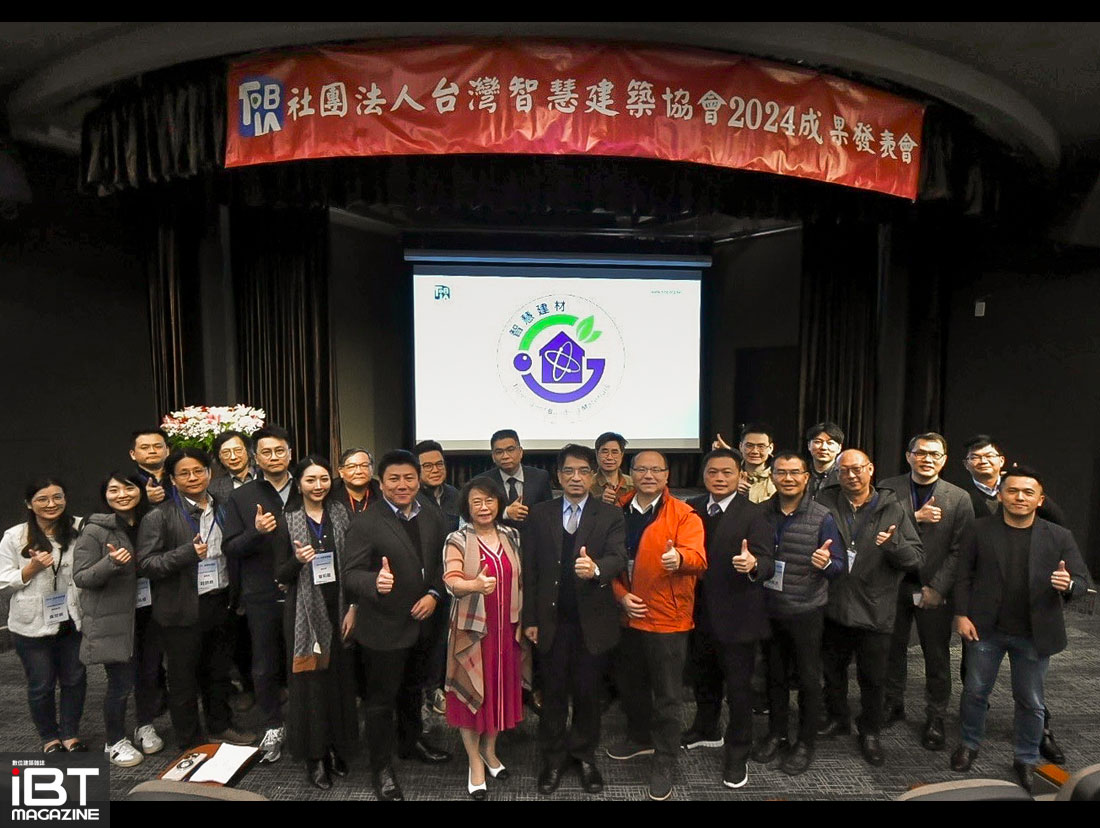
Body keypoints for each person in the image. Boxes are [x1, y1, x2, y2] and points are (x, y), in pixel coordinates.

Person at [950, 466, 1092, 792]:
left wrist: (1069, 584)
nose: (1019, 497)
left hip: (1034, 633)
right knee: (975, 692)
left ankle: (1026, 757)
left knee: (1030, 700)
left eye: (1028, 492)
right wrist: (961, 614)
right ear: (1001, 495)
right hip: (985, 629)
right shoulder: (978, 529)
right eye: (1012, 491)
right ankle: (969, 744)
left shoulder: (1059, 536)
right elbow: (963, 575)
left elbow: (1082, 581)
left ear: (1040, 500)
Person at [343, 449, 451, 802]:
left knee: (413, 690)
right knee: (380, 702)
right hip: (383, 627)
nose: (402, 485)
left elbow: (441, 562)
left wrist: (434, 593)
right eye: (394, 479)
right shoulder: (366, 522)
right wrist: (374, 582)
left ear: (418, 479)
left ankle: (411, 742)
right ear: (381, 482)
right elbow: (350, 574)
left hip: (424, 622)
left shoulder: (431, 513)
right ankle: (381, 768)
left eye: (409, 478)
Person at [522, 444, 627, 796]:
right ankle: (552, 759)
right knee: (551, 694)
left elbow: (618, 557)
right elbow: (530, 570)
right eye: (569, 471)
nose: (576, 477)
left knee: (588, 694)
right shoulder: (540, 514)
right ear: (558, 476)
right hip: (550, 621)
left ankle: (583, 756)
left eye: (583, 471)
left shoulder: (609, 515)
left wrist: (596, 569)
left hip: (593, 623)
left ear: (594, 476)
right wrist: (530, 618)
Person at [959, 434, 1068, 761]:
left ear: (1001, 461)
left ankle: (1039, 735)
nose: (983, 461)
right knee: (975, 681)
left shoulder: (1024, 491)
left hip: (1031, 609)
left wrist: (1026, 489)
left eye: (989, 455)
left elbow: (1060, 526)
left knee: (1031, 689)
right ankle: (970, 737)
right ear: (966, 465)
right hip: (983, 606)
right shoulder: (963, 497)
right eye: (976, 457)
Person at [137, 448, 254, 748]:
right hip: (181, 606)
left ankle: (220, 726)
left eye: (198, 471)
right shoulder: (159, 515)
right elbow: (146, 564)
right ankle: (190, 741)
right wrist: (186, 554)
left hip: (221, 600)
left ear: (209, 473)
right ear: (172, 480)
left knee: (218, 673)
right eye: (184, 473)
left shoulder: (225, 507)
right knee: (183, 679)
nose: (193, 478)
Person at [607, 449, 706, 801]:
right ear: (631, 473)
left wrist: (679, 558)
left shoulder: (684, 514)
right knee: (630, 685)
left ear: (667, 475)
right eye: (641, 469)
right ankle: (640, 738)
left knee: (667, 696)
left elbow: (699, 559)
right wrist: (620, 596)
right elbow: (606, 563)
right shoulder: (616, 512)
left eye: (656, 469)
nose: (648, 475)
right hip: (628, 615)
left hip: (667, 619)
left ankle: (665, 759)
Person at [816, 449, 923, 767]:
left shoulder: (894, 508)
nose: (851, 475)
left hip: (875, 607)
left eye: (857, 469)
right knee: (832, 672)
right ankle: (838, 718)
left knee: (873, 677)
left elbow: (916, 559)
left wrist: (893, 545)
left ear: (871, 469)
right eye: (844, 470)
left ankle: (870, 731)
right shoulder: (824, 503)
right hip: (833, 603)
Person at [683, 448, 774, 789]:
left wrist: (754, 565)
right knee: (702, 677)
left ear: (740, 476)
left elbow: (768, 560)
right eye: (712, 472)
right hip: (696, 613)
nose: (719, 478)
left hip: (738, 615)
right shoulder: (690, 507)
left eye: (727, 472)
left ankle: (738, 751)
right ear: (703, 475)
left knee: (738, 689)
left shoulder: (755, 513)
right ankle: (707, 729)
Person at [879, 433, 975, 750]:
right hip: (893, 583)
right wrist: (914, 516)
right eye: (920, 453)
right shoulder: (887, 488)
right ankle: (893, 703)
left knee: (936, 656)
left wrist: (937, 587)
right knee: (892, 649)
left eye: (935, 454)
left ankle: (936, 715)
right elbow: (875, 528)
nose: (927, 459)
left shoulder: (959, 498)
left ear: (944, 459)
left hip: (933, 588)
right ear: (909, 456)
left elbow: (961, 550)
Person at [754, 452, 845, 776]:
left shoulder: (822, 516)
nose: (788, 478)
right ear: (773, 477)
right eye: (781, 472)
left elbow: (839, 565)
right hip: (770, 609)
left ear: (806, 478)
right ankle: (777, 734)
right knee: (774, 676)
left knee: (808, 679)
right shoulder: (760, 513)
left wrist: (827, 564)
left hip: (806, 611)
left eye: (795, 473)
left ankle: (805, 742)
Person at [277, 456, 359, 790]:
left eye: (324, 479)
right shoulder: (286, 520)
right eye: (310, 480)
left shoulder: (341, 514)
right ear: (298, 484)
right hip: (303, 613)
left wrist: (354, 607)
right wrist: (297, 561)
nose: (318, 486)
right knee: (310, 686)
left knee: (339, 683)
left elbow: (355, 565)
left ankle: (337, 747)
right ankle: (315, 756)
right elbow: (279, 574)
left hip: (340, 608)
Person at [73, 471, 164, 767]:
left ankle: (144, 725)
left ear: (140, 491)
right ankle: (114, 741)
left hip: (149, 613)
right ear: (105, 496)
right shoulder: (95, 530)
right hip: (115, 618)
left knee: (149, 676)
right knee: (120, 683)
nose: (122, 495)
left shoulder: (150, 521)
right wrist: (110, 562)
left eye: (129, 488)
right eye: (114, 490)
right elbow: (81, 577)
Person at [444, 476, 526, 800]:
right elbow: (451, 579)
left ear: (499, 503)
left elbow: (521, 579)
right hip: (473, 632)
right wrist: (474, 585)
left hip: (507, 630)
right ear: (466, 506)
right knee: (472, 695)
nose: (483, 507)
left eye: (489, 500)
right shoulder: (457, 539)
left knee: (498, 693)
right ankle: (474, 762)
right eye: (476, 501)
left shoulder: (511, 535)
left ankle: (490, 752)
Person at [222, 424, 300, 762]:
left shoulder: (307, 487)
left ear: (290, 453)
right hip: (261, 592)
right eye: (266, 452)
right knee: (264, 663)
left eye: (280, 450)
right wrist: (255, 532)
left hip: (304, 588)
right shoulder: (241, 497)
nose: (274, 457)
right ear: (256, 457)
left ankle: (305, 723)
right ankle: (272, 724)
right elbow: (230, 547)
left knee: (304, 660)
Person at [0, 477, 87, 753]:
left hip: (72, 618)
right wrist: (31, 569)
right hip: (31, 625)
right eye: (42, 499)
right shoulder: (15, 536)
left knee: (75, 679)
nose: (51, 504)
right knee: (42, 684)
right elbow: (2, 581)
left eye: (57, 497)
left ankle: (70, 734)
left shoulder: (79, 528)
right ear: (29, 503)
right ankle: (50, 738)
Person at [415, 439, 460, 717]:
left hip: (452, 580)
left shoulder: (457, 495)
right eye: (427, 466)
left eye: (439, 464)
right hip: (422, 583)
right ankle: (423, 691)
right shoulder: (412, 499)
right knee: (423, 640)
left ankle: (438, 688)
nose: (435, 470)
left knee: (445, 639)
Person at [478, 429, 553, 527]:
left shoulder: (540, 477)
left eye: (510, 450)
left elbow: (549, 511)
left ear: (520, 452)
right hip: (497, 534)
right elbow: (476, 514)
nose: (505, 456)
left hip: (534, 534)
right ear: (493, 456)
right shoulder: (483, 481)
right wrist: (506, 513)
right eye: (499, 452)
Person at [208, 430, 258, 502]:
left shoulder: (267, 475)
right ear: (219, 457)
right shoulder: (213, 489)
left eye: (238, 450)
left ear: (248, 451)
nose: (233, 457)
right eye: (226, 452)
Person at [129, 428, 173, 505]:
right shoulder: (127, 481)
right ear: (133, 454)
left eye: (158, 446)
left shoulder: (179, 476)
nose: (152, 451)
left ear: (167, 451)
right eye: (144, 447)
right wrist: (143, 499)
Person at [332, 447, 380, 515]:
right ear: (341, 472)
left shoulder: (383, 492)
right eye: (352, 467)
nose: (359, 471)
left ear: (372, 470)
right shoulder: (330, 493)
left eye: (364, 466)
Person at [591, 432, 633, 504]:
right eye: (604, 452)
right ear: (597, 454)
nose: (609, 457)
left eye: (614, 452)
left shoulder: (633, 484)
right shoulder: (588, 485)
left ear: (622, 455)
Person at [805, 422, 844, 500]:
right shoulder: (800, 472)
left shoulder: (844, 475)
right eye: (818, 442)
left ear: (839, 448)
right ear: (809, 445)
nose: (824, 447)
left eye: (830, 443)